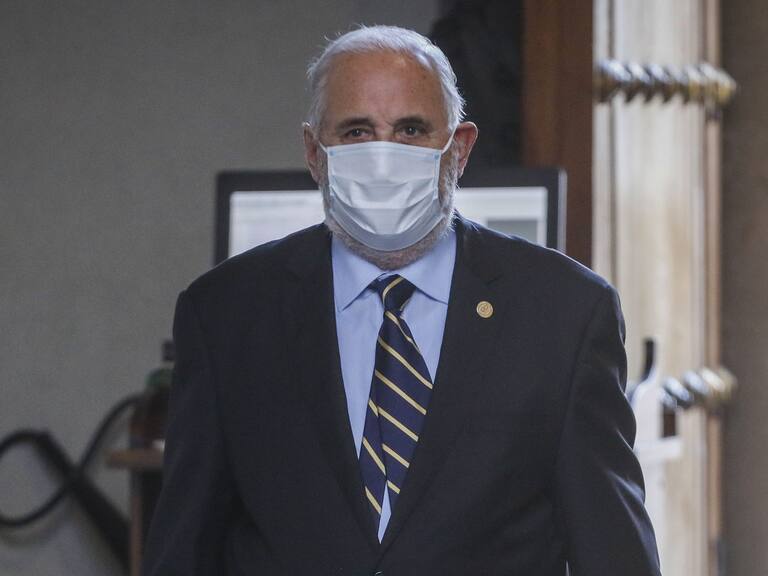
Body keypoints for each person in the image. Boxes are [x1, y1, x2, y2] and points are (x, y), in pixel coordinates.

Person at [143, 25, 661, 576]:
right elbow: (184, 548)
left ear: (458, 149)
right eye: (358, 132)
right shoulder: (226, 315)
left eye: (411, 130)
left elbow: (613, 553)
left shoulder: (564, 316)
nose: (385, 157)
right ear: (314, 154)